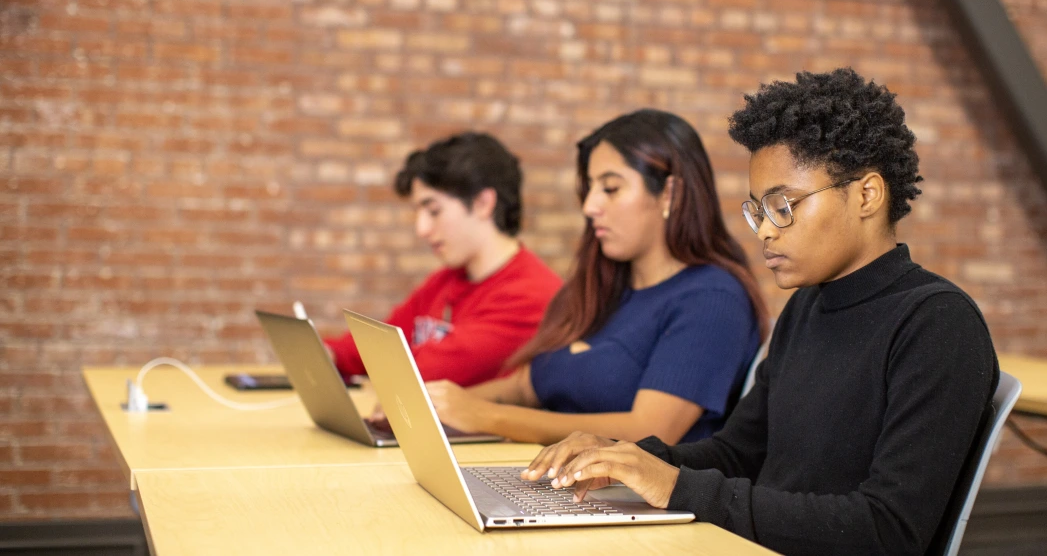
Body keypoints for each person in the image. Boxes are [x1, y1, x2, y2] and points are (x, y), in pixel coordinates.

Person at [525, 69, 1000, 555]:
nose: (766, 232)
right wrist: (626, 457)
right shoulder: (806, 307)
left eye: (784, 206)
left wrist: (676, 488)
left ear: (867, 195)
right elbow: (739, 452)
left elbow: (887, 530)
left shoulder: (938, 324)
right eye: (758, 211)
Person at [416, 109, 771, 446]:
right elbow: (525, 387)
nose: (589, 207)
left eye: (611, 188)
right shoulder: (600, 286)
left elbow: (650, 431)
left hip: (629, 503)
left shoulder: (712, 299)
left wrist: (486, 417)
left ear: (670, 193)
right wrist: (432, 405)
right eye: (590, 188)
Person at [323, 132, 562, 388]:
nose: (422, 229)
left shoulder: (533, 295)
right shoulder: (446, 280)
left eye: (434, 211)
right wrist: (327, 354)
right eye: (419, 212)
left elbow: (423, 373)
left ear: (483, 203)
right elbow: (377, 344)